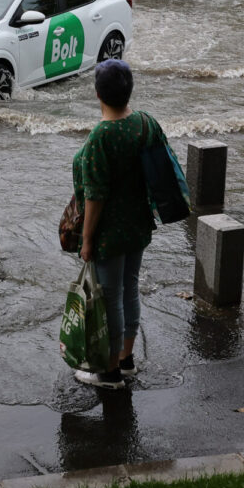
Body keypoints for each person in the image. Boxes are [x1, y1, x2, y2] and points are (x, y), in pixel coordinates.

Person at [72, 58, 160, 389]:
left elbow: (95, 196)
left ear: (98, 94)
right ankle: (126, 359)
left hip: (110, 232)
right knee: (129, 289)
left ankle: (108, 373)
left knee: (110, 299)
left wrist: (87, 240)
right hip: (139, 223)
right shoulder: (144, 123)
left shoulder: (101, 137)